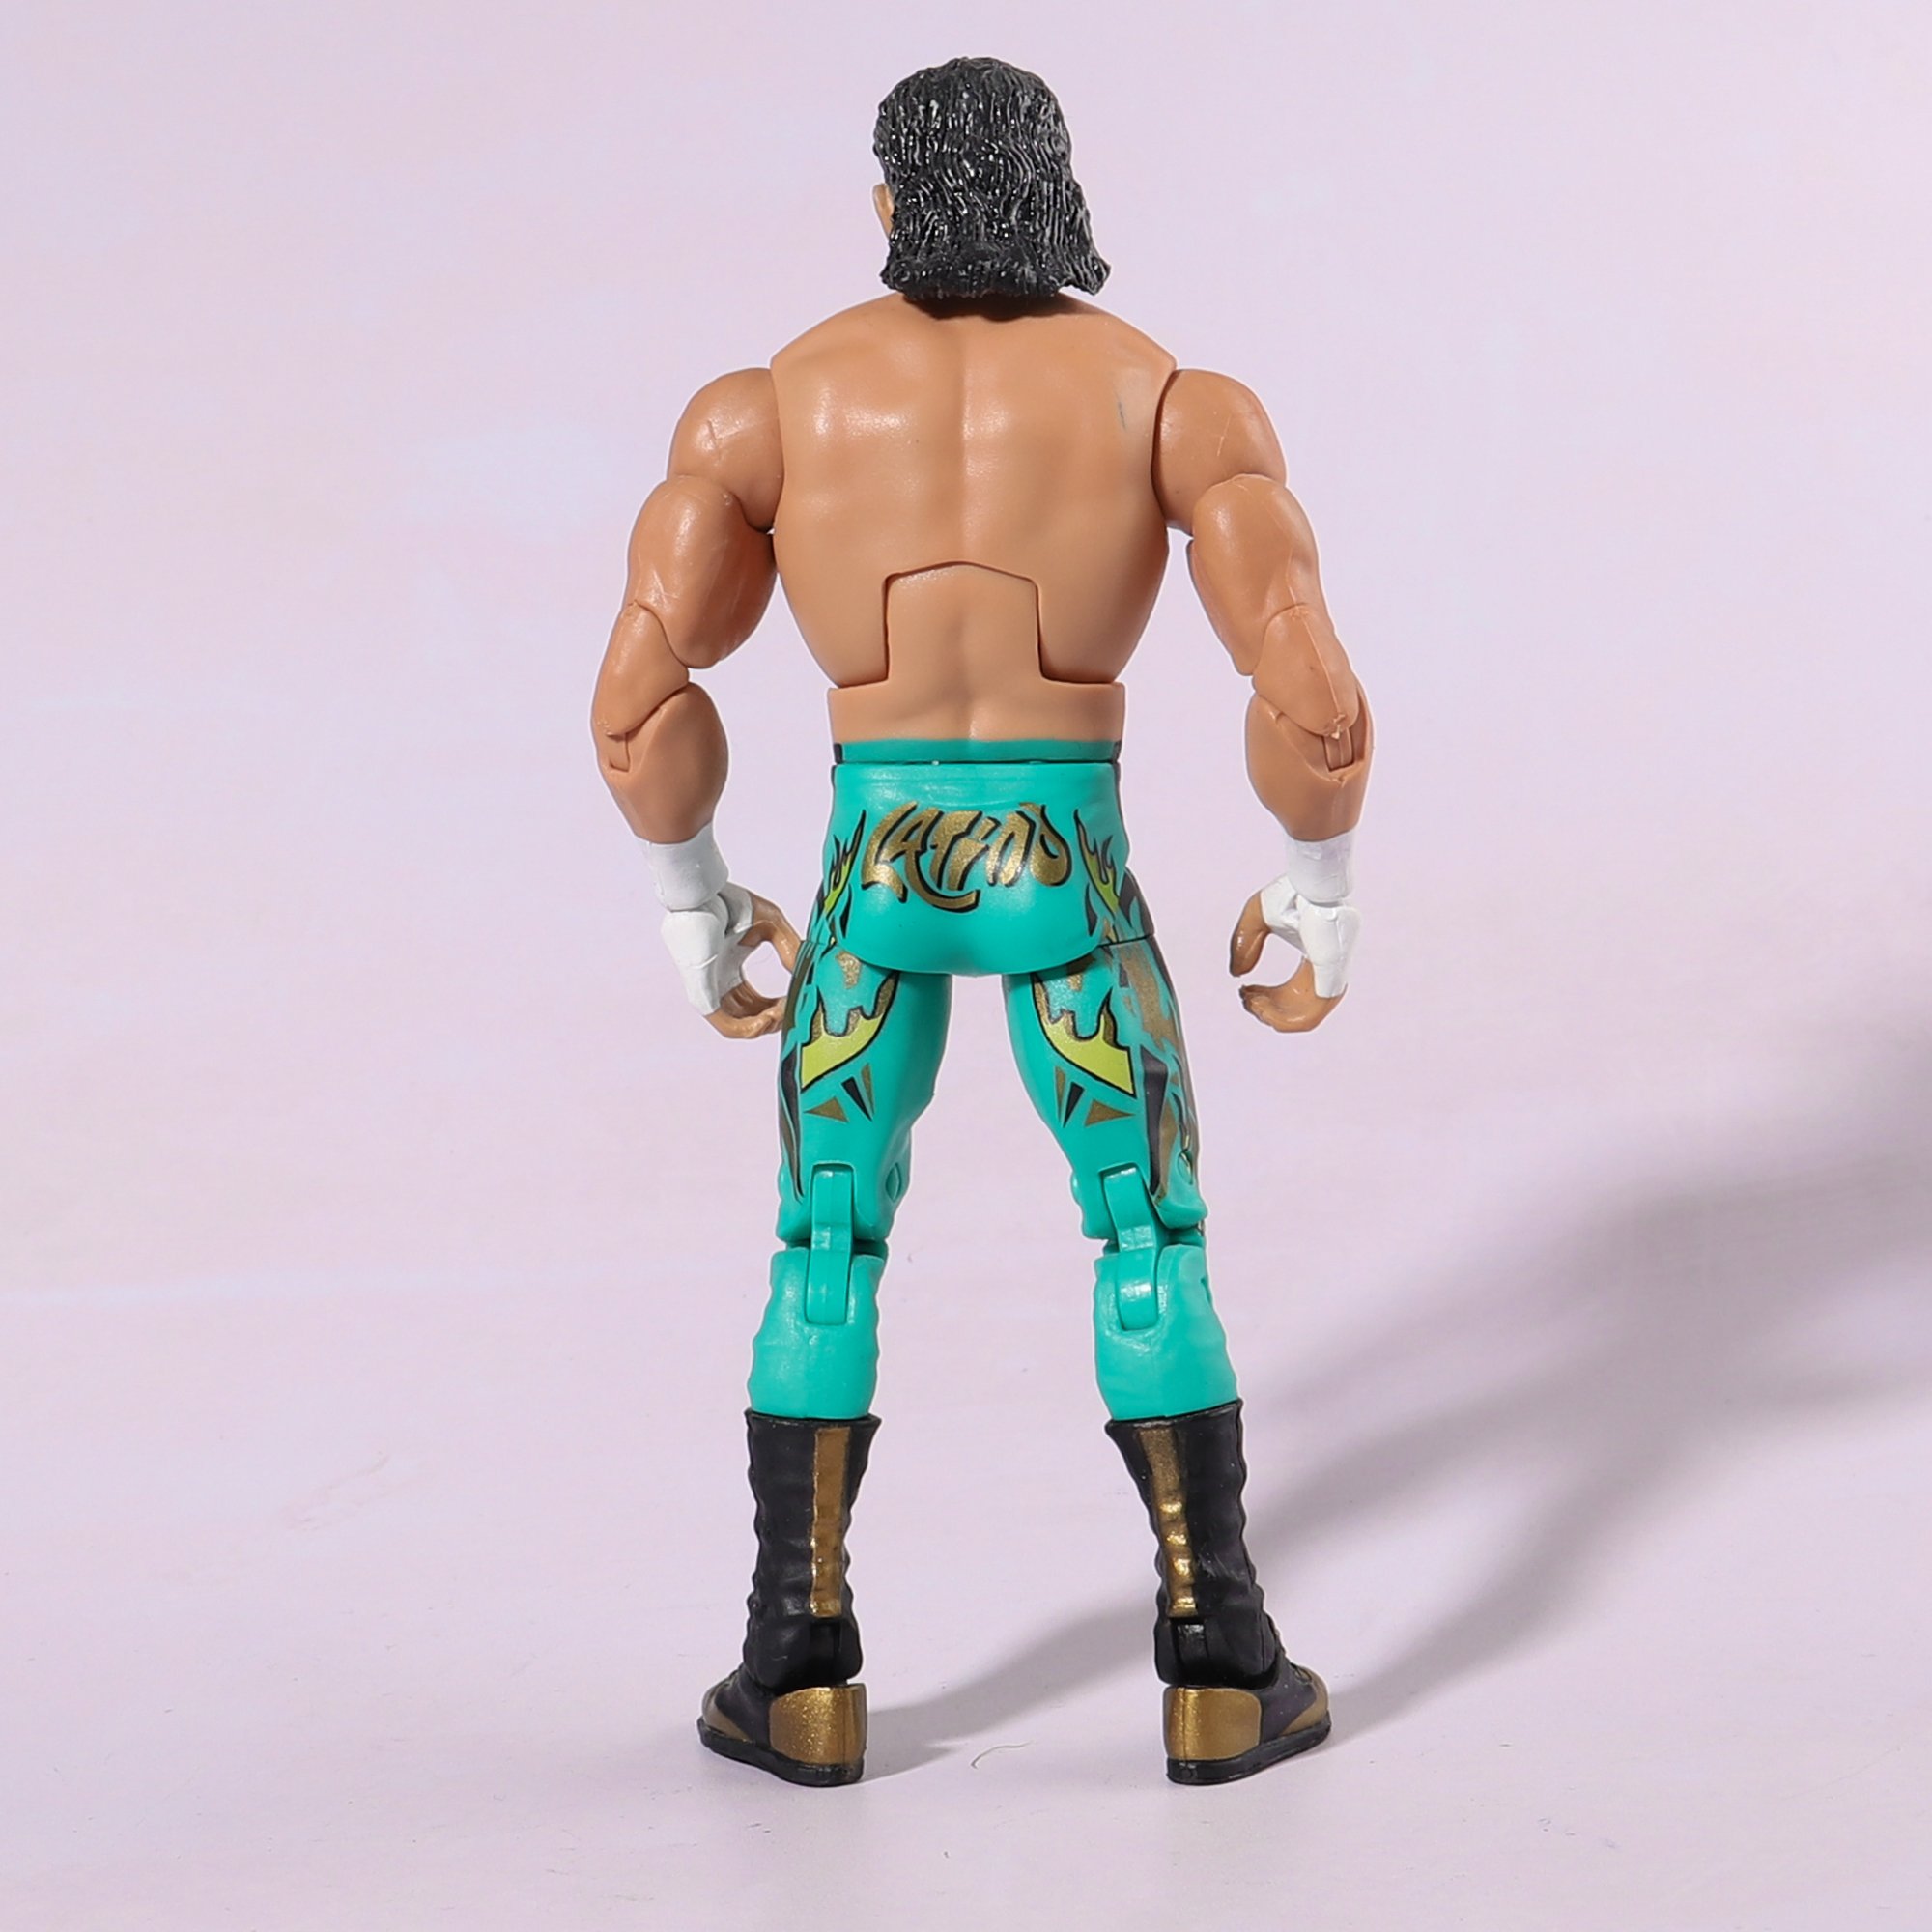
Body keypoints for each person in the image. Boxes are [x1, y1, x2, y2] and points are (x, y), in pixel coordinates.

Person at [590, 56, 1372, 1786]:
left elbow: (639, 703)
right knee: (1148, 1237)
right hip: (1067, 876)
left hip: (874, 882)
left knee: (821, 1246)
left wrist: (693, 898)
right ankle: (1220, 1659)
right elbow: (1312, 698)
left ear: (889, 202)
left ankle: (795, 1666)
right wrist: (1318, 889)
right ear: (1057, 187)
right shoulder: (1168, 400)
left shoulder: (768, 411)